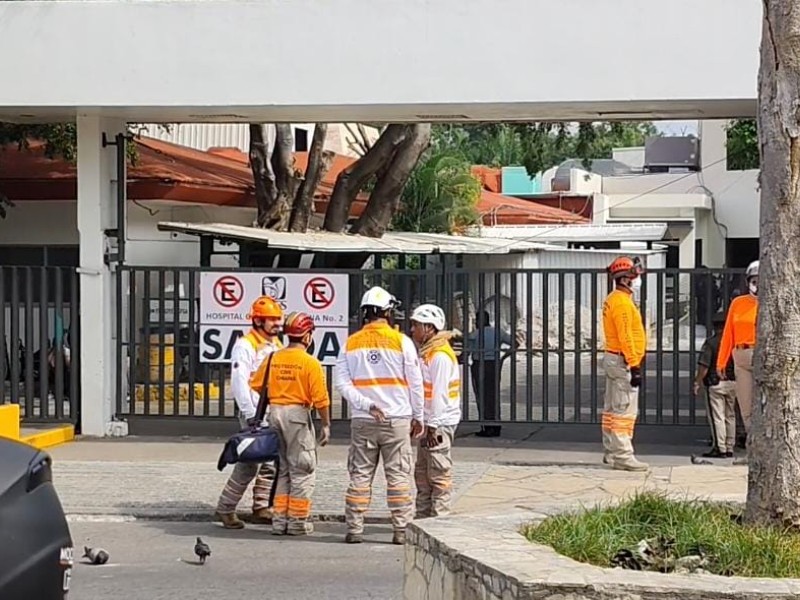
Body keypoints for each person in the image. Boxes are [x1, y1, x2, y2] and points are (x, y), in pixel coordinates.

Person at [334, 286, 424, 545]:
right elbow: (415, 383)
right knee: (398, 476)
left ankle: (354, 528)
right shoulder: (402, 342)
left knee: (360, 475)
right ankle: (401, 530)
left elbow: (342, 383)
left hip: (363, 420)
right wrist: (418, 416)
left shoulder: (350, 343)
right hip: (397, 420)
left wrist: (366, 403)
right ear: (388, 312)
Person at [249, 311, 331, 536]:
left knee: (283, 469)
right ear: (306, 336)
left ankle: (279, 521)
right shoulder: (310, 362)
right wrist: (325, 425)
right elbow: (321, 399)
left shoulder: (273, 358)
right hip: (297, 416)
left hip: (275, 413)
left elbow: (256, 385)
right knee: (303, 469)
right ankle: (296, 523)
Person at [214, 295, 283, 529]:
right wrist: (251, 413)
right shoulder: (245, 345)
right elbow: (239, 382)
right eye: (271, 320)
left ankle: (261, 507)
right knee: (248, 463)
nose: (276, 323)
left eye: (277, 319)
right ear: (257, 321)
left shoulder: (275, 344)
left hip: (270, 412)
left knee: (271, 462)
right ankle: (226, 508)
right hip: (254, 412)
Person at [409, 304, 462, 519]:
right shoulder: (428, 352)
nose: (412, 329)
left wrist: (432, 427)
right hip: (429, 423)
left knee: (438, 474)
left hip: (437, 425)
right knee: (422, 474)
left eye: (416, 325)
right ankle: (422, 519)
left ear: (429, 328)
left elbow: (439, 394)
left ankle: (439, 521)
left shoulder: (439, 355)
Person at [601, 256, 648, 472]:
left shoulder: (616, 299)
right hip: (623, 360)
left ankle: (612, 452)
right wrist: (634, 365)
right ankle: (623, 455)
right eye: (635, 276)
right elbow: (626, 336)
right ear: (625, 279)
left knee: (612, 409)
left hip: (615, 358)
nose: (637, 279)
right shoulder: (620, 302)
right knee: (624, 409)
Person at [717, 260, 759, 438]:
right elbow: (728, 334)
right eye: (754, 281)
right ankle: (754, 443)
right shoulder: (738, 303)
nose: (757, 285)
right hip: (741, 356)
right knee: (745, 404)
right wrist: (722, 361)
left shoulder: (774, 302)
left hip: (762, 355)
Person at [693, 311, 737, 458]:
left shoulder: (711, 343)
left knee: (717, 416)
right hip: (733, 381)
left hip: (715, 383)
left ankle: (720, 447)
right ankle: (730, 446)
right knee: (730, 415)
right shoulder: (734, 342)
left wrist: (697, 382)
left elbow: (704, 366)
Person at [467, 311, 513, 438]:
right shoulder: (498, 332)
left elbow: (467, 352)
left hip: (479, 365)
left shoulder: (475, 334)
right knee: (493, 395)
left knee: (481, 396)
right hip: (493, 365)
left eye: (476, 320)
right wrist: (503, 357)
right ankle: (496, 424)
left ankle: (486, 426)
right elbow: (515, 343)